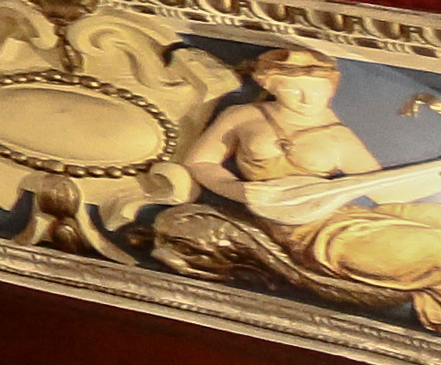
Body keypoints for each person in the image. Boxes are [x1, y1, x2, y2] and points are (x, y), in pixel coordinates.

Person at [180, 45, 441, 315]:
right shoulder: (243, 116)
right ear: (270, 86)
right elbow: (200, 162)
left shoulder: (337, 135)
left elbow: (387, 194)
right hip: (309, 235)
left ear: (332, 87)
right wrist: (237, 190)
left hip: (337, 216)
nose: (308, 99)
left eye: (318, 89)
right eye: (293, 90)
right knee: (435, 250)